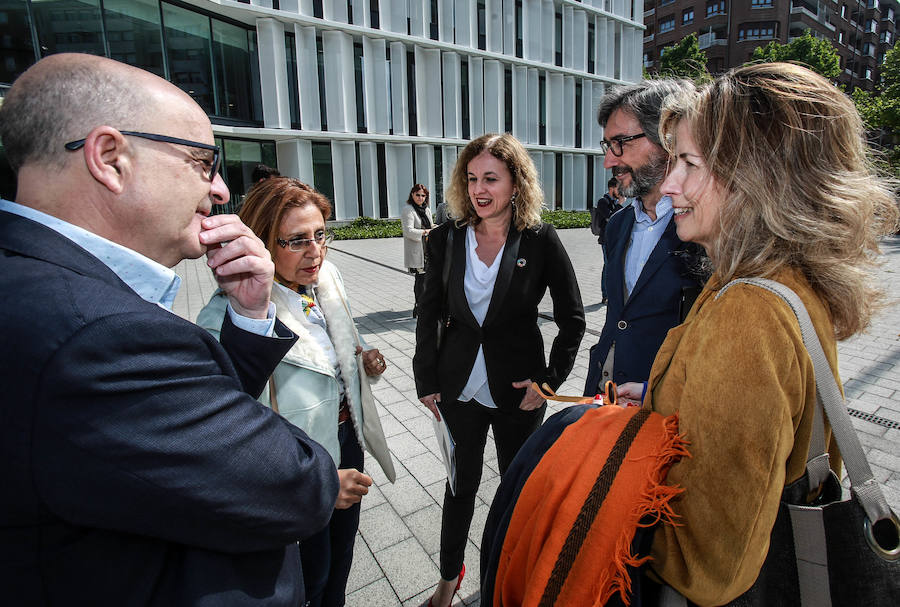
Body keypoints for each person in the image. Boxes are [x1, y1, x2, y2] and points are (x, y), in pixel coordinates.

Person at [0, 54, 340, 605]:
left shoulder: (34, 283)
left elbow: (186, 431)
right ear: (110, 158)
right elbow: (298, 485)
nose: (221, 191)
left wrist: (251, 316)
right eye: (203, 163)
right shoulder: (98, 337)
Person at [616, 62, 899, 605]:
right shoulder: (779, 280)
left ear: (755, 179)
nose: (670, 182)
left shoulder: (747, 309)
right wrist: (659, 403)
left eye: (688, 163)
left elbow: (707, 564)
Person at [197, 177, 395, 607]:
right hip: (299, 467)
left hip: (347, 441)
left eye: (321, 234)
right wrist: (317, 484)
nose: (315, 252)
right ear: (264, 242)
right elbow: (228, 437)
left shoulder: (325, 281)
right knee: (309, 578)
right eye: (297, 240)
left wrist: (363, 364)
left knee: (340, 562)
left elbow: (331, 359)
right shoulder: (232, 317)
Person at [414, 133, 585, 607]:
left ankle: (509, 578)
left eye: (491, 177)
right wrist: (426, 380)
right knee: (458, 488)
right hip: (457, 390)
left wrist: (549, 382)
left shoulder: (540, 239)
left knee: (518, 490)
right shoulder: (447, 238)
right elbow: (427, 313)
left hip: (518, 392)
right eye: (471, 179)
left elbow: (573, 317)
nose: (479, 189)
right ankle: (449, 579)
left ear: (516, 183)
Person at [583, 79, 706, 397]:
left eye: (621, 143)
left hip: (668, 418)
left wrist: (658, 394)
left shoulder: (706, 229)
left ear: (668, 139)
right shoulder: (618, 224)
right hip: (604, 397)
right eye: (607, 146)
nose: (609, 160)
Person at [401, 183, 434, 317]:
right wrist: (426, 231)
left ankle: (425, 304)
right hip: (417, 250)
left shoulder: (426, 209)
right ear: (412, 195)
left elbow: (431, 225)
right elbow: (408, 231)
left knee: (428, 278)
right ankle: (418, 305)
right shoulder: (408, 210)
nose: (420, 198)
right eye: (418, 195)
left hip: (428, 249)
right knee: (420, 279)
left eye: (423, 195)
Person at [590, 176, 624, 304]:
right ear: (611, 188)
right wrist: (620, 204)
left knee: (611, 265)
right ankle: (606, 295)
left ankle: (610, 294)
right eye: (618, 188)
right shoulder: (603, 202)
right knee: (608, 266)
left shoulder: (614, 202)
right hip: (606, 239)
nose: (620, 191)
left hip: (615, 239)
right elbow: (610, 218)